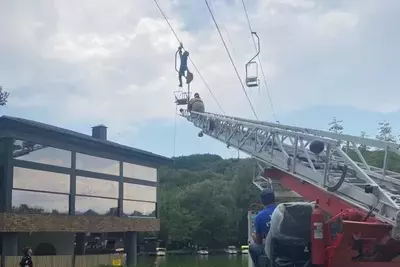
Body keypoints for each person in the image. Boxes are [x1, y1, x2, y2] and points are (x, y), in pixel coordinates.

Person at [249, 188, 276, 267]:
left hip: (272, 249)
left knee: (253, 247)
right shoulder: (283, 211)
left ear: (261, 201)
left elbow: (259, 241)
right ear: (274, 199)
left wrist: (254, 236)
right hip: (285, 247)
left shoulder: (259, 216)